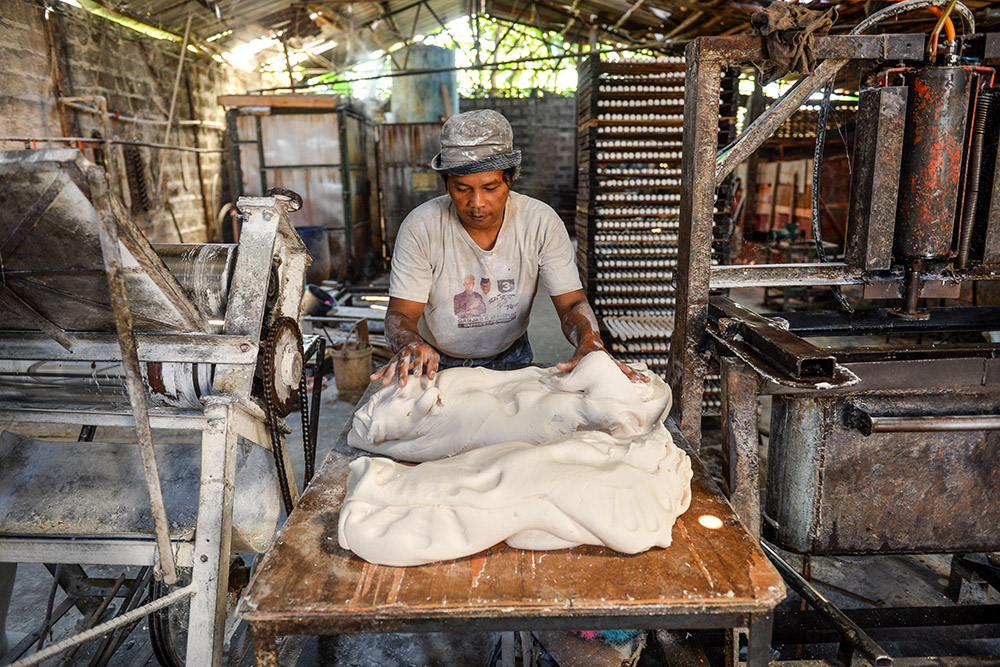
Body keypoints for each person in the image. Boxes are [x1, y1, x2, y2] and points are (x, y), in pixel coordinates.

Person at [372, 109, 645, 387]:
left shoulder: (540, 222)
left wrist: (590, 340)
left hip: (512, 358)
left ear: (509, 180)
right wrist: (409, 342)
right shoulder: (421, 227)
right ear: (446, 184)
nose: (477, 203)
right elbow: (401, 314)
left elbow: (572, 304)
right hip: (435, 362)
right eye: (462, 189)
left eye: (490, 188)